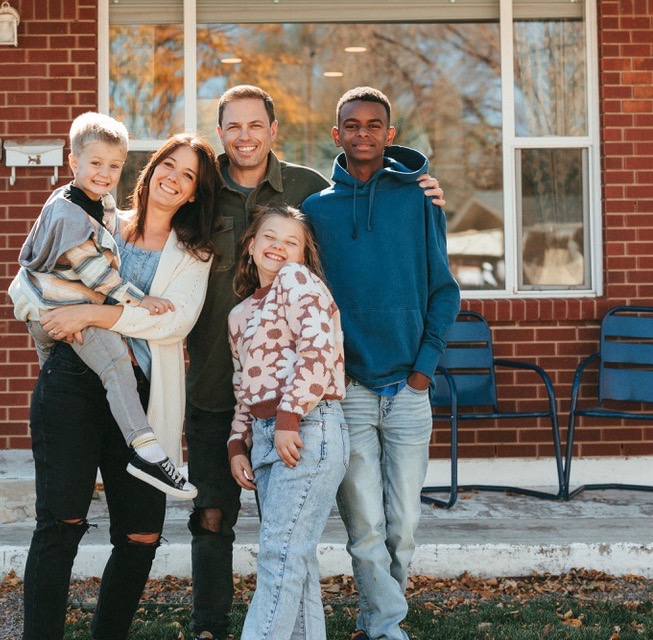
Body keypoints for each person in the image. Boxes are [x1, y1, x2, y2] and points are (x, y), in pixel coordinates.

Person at [183, 84, 447, 640]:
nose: (246, 136)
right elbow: (159, 214)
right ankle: (221, 624)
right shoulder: (225, 199)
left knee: (349, 534)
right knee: (286, 530)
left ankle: (378, 622)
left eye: (256, 125)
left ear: (274, 130)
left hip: (342, 402)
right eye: (234, 126)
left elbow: (432, 284)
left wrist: (423, 370)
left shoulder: (325, 196)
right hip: (279, 392)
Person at [22, 133, 220, 640]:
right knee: (60, 524)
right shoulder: (100, 220)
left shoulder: (194, 255)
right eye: (166, 166)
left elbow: (171, 324)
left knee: (141, 534)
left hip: (141, 397)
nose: (173, 178)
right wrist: (48, 316)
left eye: (187, 175)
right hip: (72, 384)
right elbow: (31, 280)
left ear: (194, 192)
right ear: (150, 170)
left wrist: (92, 311)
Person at [301, 86, 461, 640]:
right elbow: (305, 299)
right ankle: (389, 625)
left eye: (374, 125)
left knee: (405, 525)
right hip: (348, 391)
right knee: (364, 522)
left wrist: (424, 369)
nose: (362, 133)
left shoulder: (418, 200)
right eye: (352, 124)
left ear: (389, 135)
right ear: (336, 133)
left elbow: (446, 290)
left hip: (409, 388)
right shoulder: (315, 211)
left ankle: (376, 619)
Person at [9, 112, 195, 499]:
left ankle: (91, 456)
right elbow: (97, 274)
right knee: (115, 366)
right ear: (73, 162)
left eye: (114, 166)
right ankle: (146, 449)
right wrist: (141, 298)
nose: (104, 173)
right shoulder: (69, 214)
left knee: (60, 369)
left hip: (61, 308)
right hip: (54, 304)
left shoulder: (100, 203)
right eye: (95, 164)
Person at [228, 205, 348, 640]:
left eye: (290, 240)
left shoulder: (298, 283)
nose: (278, 246)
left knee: (279, 555)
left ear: (303, 254)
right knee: (294, 559)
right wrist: (237, 444)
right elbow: (244, 386)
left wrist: (288, 418)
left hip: (306, 429)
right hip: (266, 438)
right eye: (269, 236)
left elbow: (318, 354)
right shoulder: (238, 315)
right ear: (251, 245)